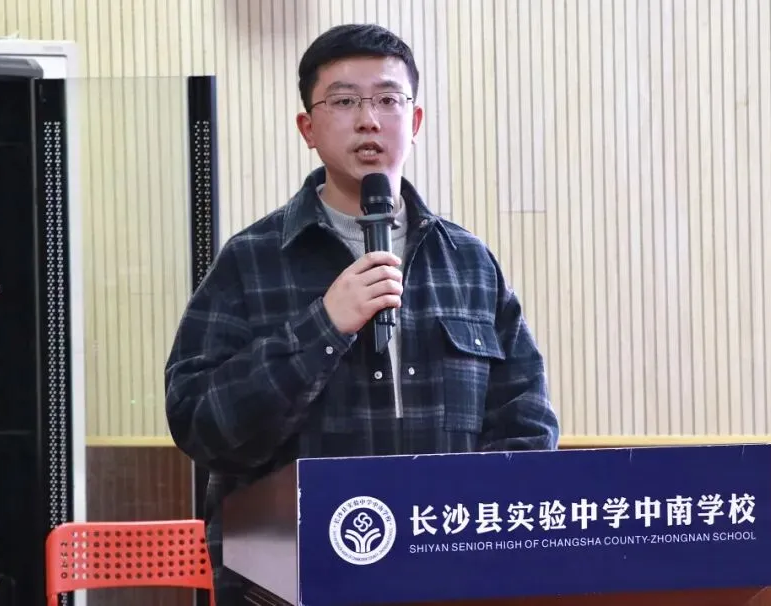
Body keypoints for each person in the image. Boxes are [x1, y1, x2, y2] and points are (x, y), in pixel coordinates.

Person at [163, 23, 560, 603]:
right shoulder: (250, 260)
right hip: (288, 586)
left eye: (388, 100)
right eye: (345, 101)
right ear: (308, 128)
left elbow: (527, 422)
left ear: (414, 122)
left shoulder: (468, 261)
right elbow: (201, 424)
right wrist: (323, 327)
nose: (369, 120)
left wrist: (470, 535)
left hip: (442, 580)